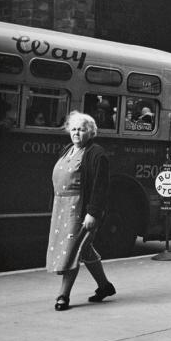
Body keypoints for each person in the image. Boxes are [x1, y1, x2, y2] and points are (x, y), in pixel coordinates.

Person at [47, 111, 116, 311]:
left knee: (73, 250)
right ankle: (105, 287)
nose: (77, 133)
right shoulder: (68, 149)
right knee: (84, 249)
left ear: (91, 132)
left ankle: (63, 295)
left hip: (80, 209)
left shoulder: (96, 153)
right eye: (74, 129)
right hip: (62, 207)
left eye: (82, 129)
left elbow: (100, 186)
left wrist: (93, 212)